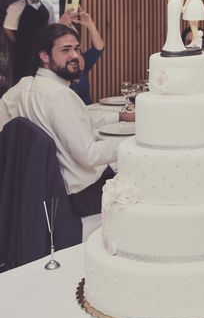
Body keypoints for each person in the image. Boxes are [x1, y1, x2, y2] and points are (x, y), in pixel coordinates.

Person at [0, 24, 134, 216]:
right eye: (65, 50)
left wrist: (119, 116)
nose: (75, 56)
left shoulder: (25, 86)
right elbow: (90, 155)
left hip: (45, 191)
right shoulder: (58, 95)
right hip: (84, 195)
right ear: (44, 56)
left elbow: (78, 119)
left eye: (76, 49)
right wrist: (135, 140)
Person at [3, 0, 56, 83]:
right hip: (24, 50)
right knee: (23, 77)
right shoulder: (16, 6)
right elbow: (8, 28)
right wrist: (18, 43)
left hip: (42, 48)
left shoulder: (47, 4)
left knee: (43, 77)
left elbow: (51, 26)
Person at [59, 7, 104, 104]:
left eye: (76, 46)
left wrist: (90, 24)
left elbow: (98, 48)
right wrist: (60, 27)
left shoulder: (82, 61)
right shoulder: (58, 66)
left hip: (88, 113)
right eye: (67, 47)